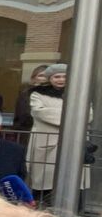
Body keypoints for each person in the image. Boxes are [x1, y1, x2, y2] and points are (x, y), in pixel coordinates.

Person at [26, 63, 72, 203]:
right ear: (50, 78)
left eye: (64, 76)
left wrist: (54, 113)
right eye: (57, 76)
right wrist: (73, 115)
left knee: (71, 180)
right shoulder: (37, 93)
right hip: (46, 145)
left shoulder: (78, 92)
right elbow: (39, 112)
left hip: (71, 143)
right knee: (44, 183)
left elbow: (88, 115)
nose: (61, 80)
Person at [11, 63, 50, 132]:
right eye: (41, 75)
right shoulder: (26, 94)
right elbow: (24, 114)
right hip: (27, 130)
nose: (44, 78)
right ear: (34, 78)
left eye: (47, 76)